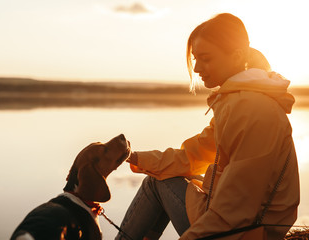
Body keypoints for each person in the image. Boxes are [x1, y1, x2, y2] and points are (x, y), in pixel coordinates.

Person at [115, 13, 299, 240]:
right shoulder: (238, 102)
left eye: (206, 58)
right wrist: (133, 157)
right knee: (160, 176)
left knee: (155, 184)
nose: (198, 68)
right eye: (195, 60)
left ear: (237, 55)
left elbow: (236, 208)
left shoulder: (253, 110)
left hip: (248, 232)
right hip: (240, 219)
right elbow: (194, 156)